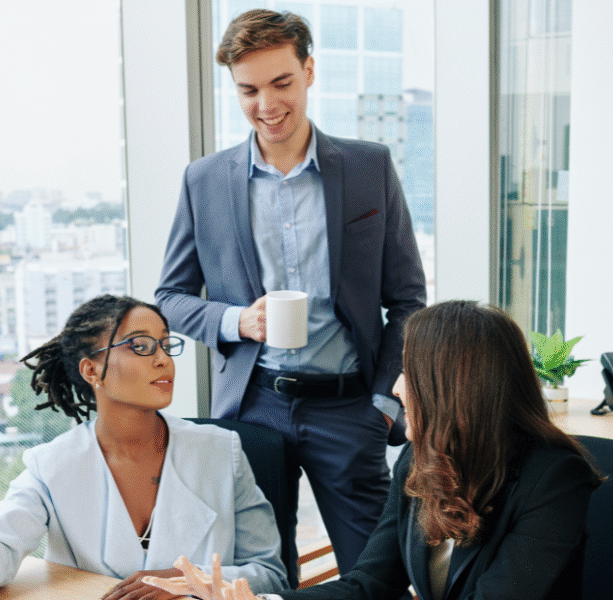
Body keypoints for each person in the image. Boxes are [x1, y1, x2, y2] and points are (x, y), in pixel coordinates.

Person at [155, 8, 426, 575]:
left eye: (281, 83)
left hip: (351, 408)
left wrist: (380, 406)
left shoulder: (368, 167)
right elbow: (171, 298)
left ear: (308, 71)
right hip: (253, 408)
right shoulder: (204, 182)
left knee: (376, 575)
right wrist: (236, 321)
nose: (266, 104)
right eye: (248, 90)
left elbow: (406, 300)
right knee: (264, 575)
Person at [0, 295, 287, 600]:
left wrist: (194, 583)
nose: (164, 359)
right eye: (142, 346)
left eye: (166, 345)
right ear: (91, 371)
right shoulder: (52, 467)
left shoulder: (221, 452)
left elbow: (271, 573)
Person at [144, 300, 600, 600]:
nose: (399, 387)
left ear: (455, 389)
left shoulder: (554, 479)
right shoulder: (421, 459)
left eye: (410, 372)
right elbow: (369, 585)